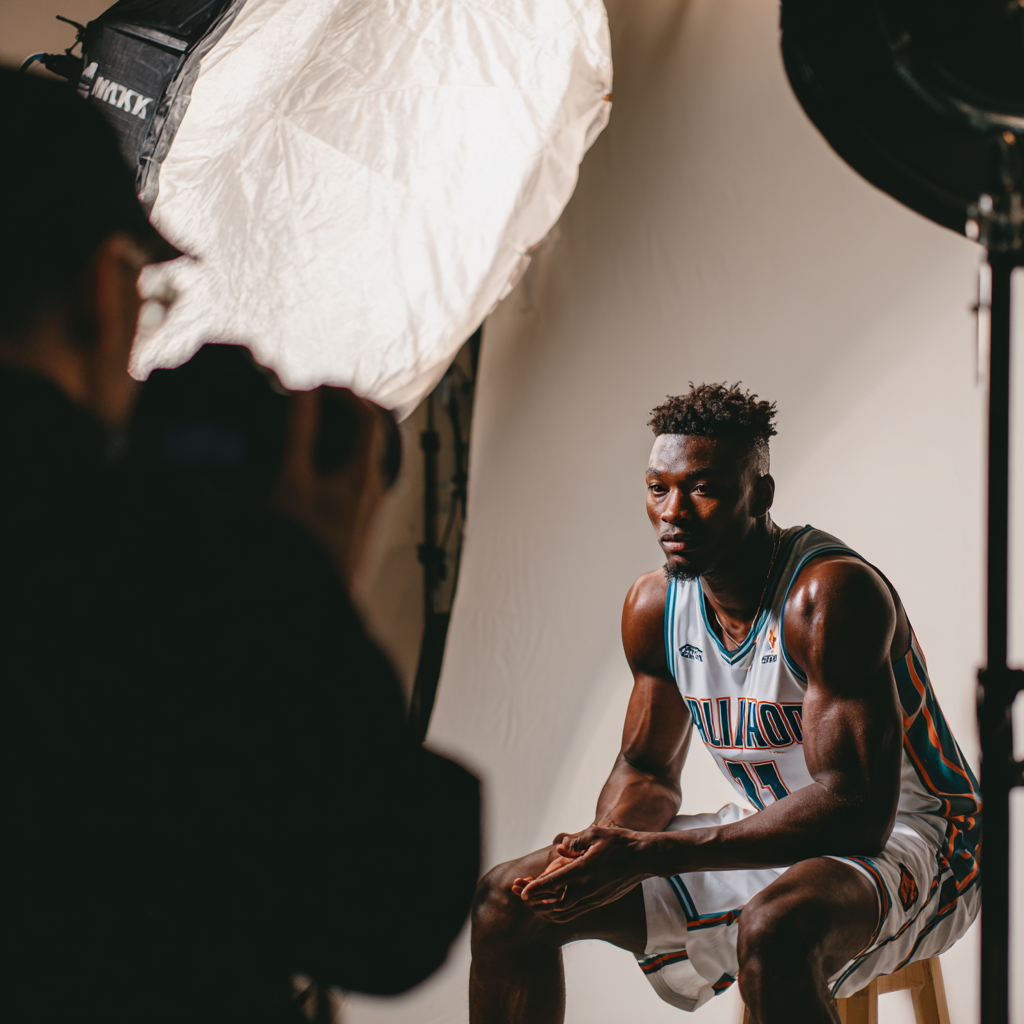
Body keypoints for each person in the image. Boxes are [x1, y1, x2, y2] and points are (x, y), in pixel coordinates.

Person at [1, 67, 480, 1023]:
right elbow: (380, 909)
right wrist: (301, 583)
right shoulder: (139, 569)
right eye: (147, 295)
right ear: (103, 290)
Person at [470, 383, 980, 1024]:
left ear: (759, 496)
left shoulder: (828, 596)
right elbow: (648, 771)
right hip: (772, 829)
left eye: (703, 488)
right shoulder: (656, 606)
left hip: (924, 840)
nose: (673, 512)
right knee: (508, 900)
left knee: (774, 931)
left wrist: (657, 853)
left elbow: (855, 813)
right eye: (658, 487)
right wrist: (612, 841)